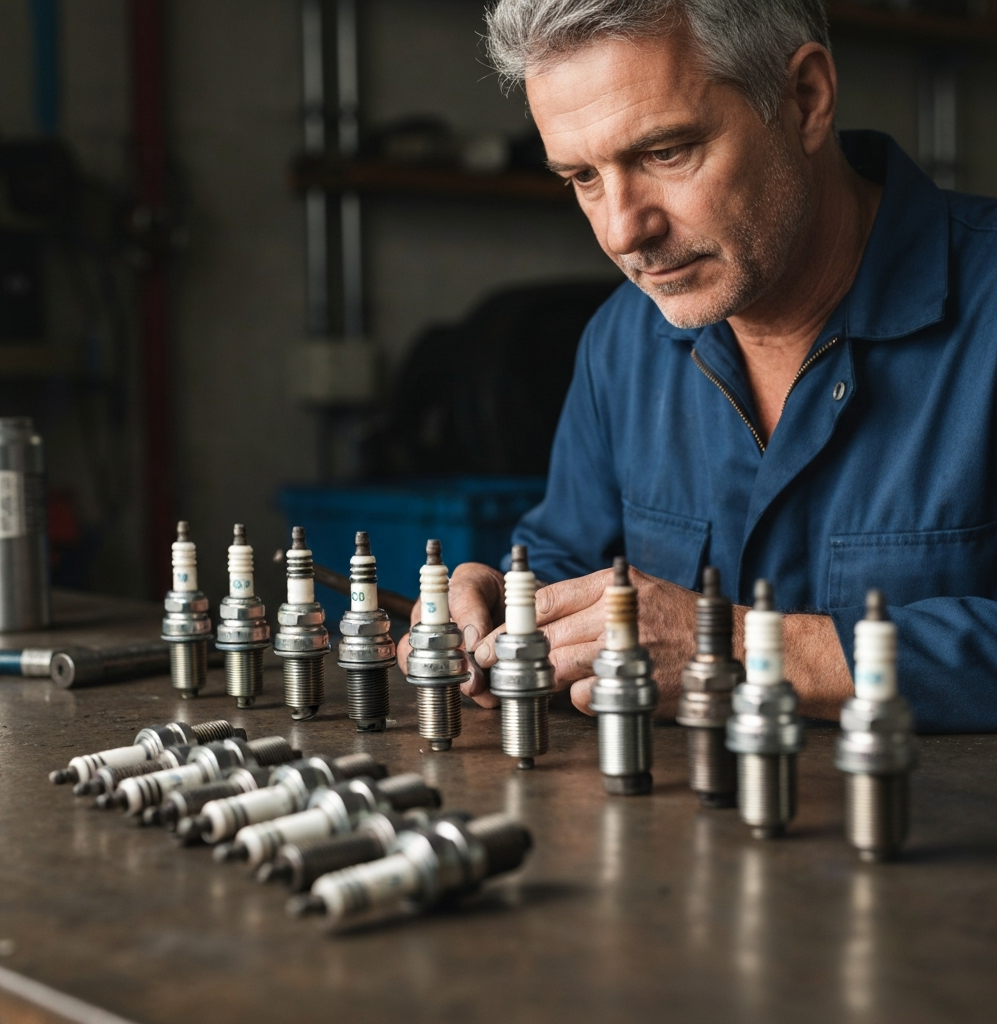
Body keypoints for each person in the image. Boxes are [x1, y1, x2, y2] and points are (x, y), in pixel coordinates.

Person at [398, 0, 997, 733]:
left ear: (804, 100)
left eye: (665, 152)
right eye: (583, 176)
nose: (624, 231)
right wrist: (512, 605)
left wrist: (742, 646)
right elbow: (567, 554)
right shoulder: (623, 339)